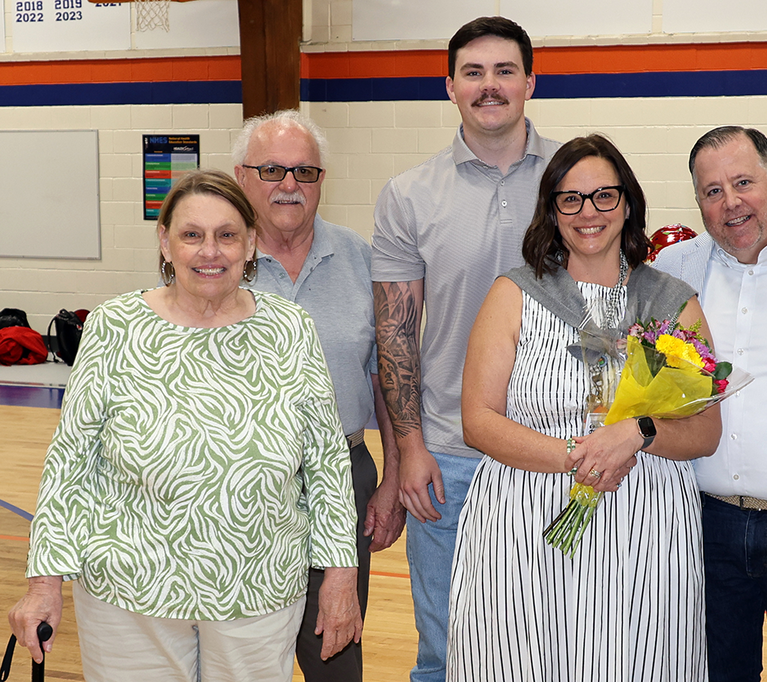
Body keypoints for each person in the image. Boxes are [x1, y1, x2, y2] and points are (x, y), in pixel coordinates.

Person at [7, 169, 361, 682]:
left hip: (258, 589)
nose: (209, 251)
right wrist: (44, 583)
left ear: (251, 243)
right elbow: (71, 462)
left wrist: (340, 576)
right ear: (165, 242)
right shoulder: (115, 326)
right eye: (191, 235)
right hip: (129, 593)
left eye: (227, 235)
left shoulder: (290, 328)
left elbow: (327, 461)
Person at [449, 134, 721, 681]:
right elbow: (478, 421)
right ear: (552, 210)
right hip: (524, 518)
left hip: (644, 524)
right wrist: (578, 454)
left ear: (628, 203)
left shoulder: (674, 302)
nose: (587, 212)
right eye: (569, 199)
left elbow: (706, 431)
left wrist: (638, 434)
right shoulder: (514, 294)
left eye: (603, 196)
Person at [371, 16, 561, 681]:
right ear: (449, 86)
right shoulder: (408, 194)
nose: (489, 86)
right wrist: (410, 450)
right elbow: (395, 336)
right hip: (449, 460)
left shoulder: (578, 184)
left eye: (505, 70)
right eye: (473, 73)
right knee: (446, 653)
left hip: (555, 454)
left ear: (531, 82)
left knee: (552, 646)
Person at [654, 126, 767, 682]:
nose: (730, 203)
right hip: (704, 527)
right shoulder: (674, 271)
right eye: (712, 191)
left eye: (743, 183)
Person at [234, 109, 403, 682]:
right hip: (242, 481)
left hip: (346, 470)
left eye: (304, 171)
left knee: (335, 646)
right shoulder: (215, 263)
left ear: (322, 179)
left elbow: (388, 375)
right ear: (241, 177)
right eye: (273, 170)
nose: (289, 185)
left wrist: (393, 479)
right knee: (244, 647)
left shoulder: (362, 258)